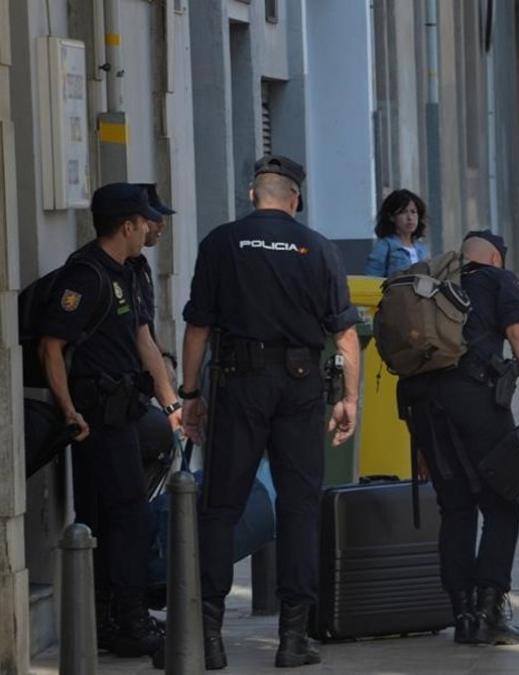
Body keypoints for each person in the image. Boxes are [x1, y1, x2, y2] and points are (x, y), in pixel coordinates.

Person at [178, 155, 361, 669]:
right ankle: (293, 638)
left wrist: (190, 395)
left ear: (253, 196)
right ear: (295, 200)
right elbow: (345, 334)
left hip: (239, 385)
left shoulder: (221, 243)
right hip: (301, 388)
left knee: (221, 507)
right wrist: (349, 398)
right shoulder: (318, 248)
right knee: (299, 507)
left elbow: (198, 328)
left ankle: (209, 638)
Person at [398, 231, 519, 646]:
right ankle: (489, 611)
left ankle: (463, 615)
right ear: (495, 257)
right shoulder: (498, 279)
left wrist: (421, 444)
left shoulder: (434, 286)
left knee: (455, 508)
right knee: (501, 502)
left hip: (422, 408)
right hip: (474, 399)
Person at [37, 183, 182, 657]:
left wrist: (172, 404)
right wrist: (69, 410)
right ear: (127, 225)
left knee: (117, 516)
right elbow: (51, 346)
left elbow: (143, 340)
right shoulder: (87, 275)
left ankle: (110, 617)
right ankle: (126, 619)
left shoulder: (127, 272)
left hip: (125, 409)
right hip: (96, 415)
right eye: (144, 222)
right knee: (125, 518)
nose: (150, 228)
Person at [365, 189, 430, 277]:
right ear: (391, 217)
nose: (410, 217)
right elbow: (371, 279)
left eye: (413, 212)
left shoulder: (422, 249)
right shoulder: (385, 246)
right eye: (403, 212)